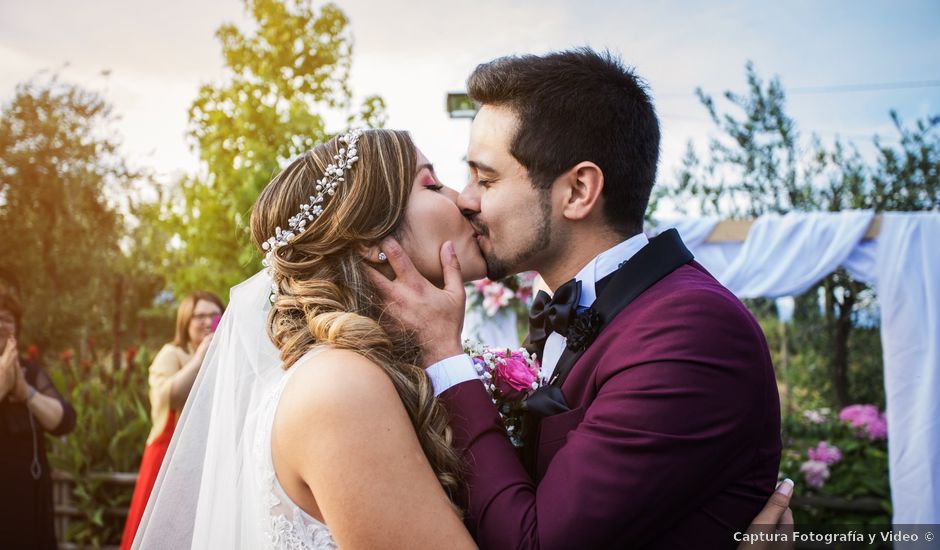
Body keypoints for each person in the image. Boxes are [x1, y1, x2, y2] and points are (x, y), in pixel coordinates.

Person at [136, 128, 792, 549]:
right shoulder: (340, 387)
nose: (465, 200)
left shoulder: (370, 374)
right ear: (371, 240)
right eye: (433, 183)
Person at [368, 48, 783, 548]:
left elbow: (538, 542)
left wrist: (445, 357)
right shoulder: (582, 308)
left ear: (579, 191)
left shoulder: (691, 330)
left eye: (488, 178)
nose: (465, 198)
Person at [120, 291, 224, 550]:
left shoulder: (227, 355)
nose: (206, 321)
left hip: (208, 458)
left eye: (213, 315)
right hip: (169, 457)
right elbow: (168, 395)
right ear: (185, 322)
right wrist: (200, 358)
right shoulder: (172, 353)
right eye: (198, 316)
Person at [0, 284, 76, 549]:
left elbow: (64, 421)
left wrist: (26, 393)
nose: (0, 325)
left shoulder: (29, 371)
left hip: (27, 496)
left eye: (6, 319)